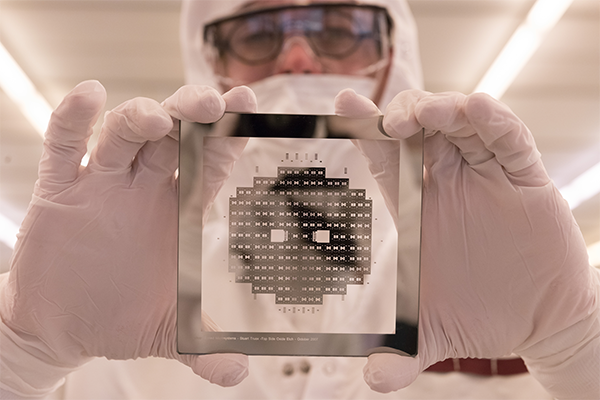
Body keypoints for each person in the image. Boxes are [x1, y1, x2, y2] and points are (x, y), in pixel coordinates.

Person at [1, 0, 598, 399]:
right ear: (210, 66)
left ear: (396, 60)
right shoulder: (119, 308)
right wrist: (21, 352)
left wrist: (574, 346)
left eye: (337, 30)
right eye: (256, 34)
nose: (296, 58)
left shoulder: (488, 295)